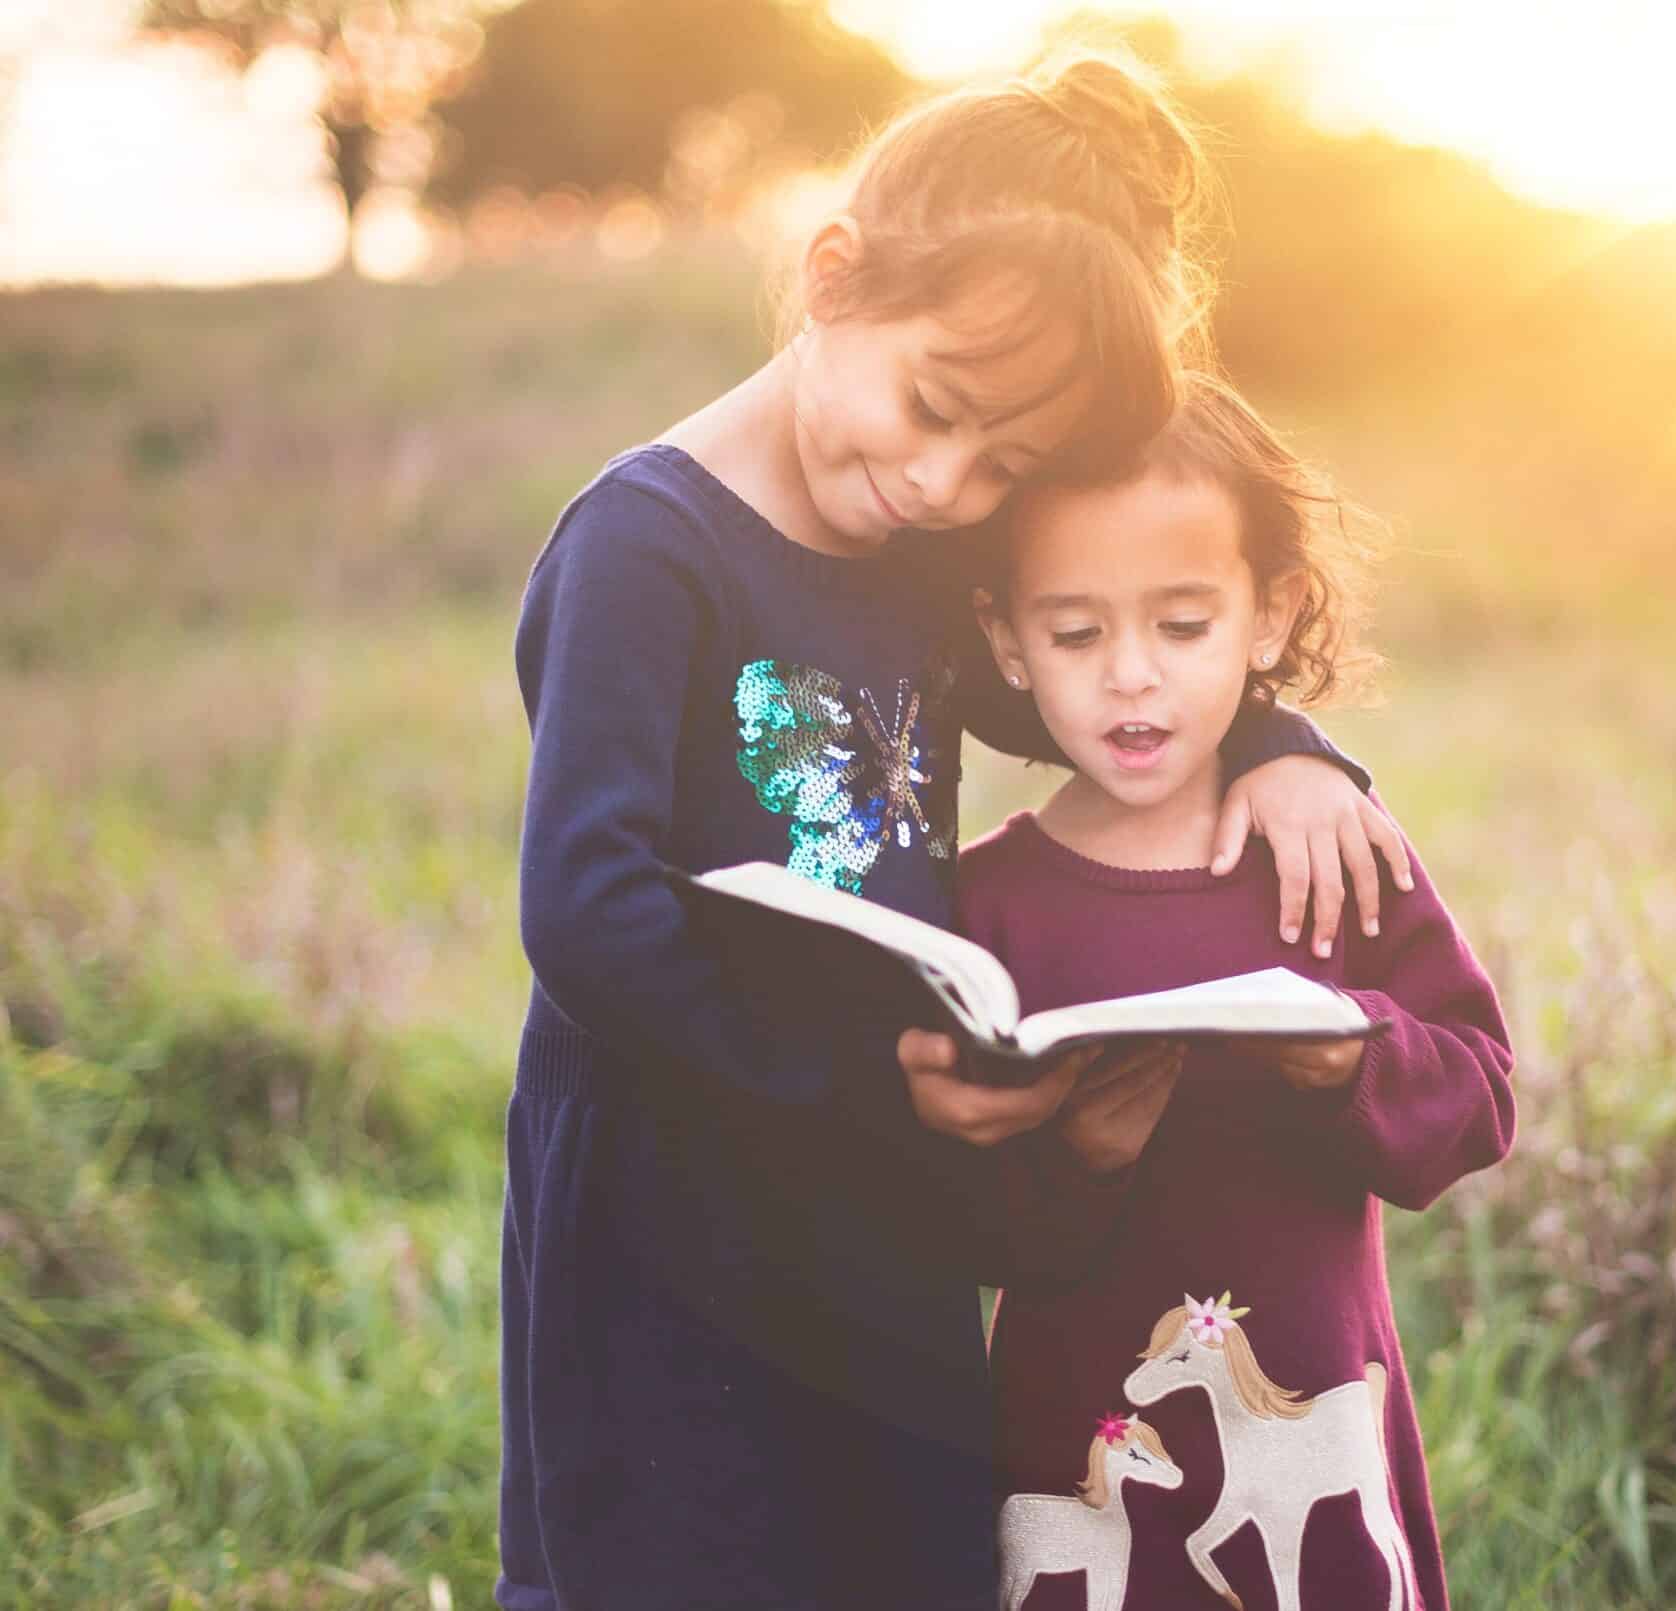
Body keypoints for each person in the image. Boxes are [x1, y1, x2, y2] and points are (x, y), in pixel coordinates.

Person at [498, 54, 1410, 1611]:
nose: (943, 482)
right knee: (679, 1559)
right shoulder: (648, 546)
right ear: (832, 275)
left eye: (1002, 467)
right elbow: (585, 909)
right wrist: (856, 1075)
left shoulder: (918, 550)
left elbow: (1082, 698)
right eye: (935, 408)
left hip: (888, 1189)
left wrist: (1285, 742)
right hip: (673, 1202)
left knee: (902, 1547)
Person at [951, 373, 1516, 1611]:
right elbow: (952, 1221)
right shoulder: (984, 907)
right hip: (1075, 1429)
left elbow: (1479, 1094)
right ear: (1005, 638)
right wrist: (1077, 1157)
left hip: (1310, 1400)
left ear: (1270, 617)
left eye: (1183, 625)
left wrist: (1353, 1055)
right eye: (1076, 633)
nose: (1131, 679)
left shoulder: (1329, 850)